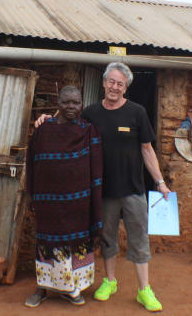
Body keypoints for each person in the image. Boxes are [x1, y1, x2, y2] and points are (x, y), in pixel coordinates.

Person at [36, 62, 171, 312]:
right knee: (107, 238)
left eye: (120, 83)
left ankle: (144, 290)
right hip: (103, 191)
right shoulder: (91, 113)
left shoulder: (137, 112)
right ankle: (110, 281)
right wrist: (47, 119)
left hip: (133, 189)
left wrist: (160, 182)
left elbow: (147, 149)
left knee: (139, 238)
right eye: (111, 81)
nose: (114, 87)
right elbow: (67, 118)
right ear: (104, 83)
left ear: (126, 87)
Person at [24, 86, 103, 307]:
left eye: (76, 102)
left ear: (81, 105)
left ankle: (72, 289)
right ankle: (44, 288)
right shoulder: (43, 131)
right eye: (66, 102)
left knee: (73, 245)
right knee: (47, 245)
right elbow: (31, 163)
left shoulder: (88, 131)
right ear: (58, 104)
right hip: (48, 203)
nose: (71, 107)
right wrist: (31, 193)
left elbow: (96, 170)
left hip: (78, 203)